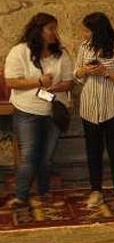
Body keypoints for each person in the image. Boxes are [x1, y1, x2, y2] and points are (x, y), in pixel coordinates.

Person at [3, 12, 74, 208]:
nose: (54, 33)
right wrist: (38, 81)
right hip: (27, 110)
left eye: (55, 29)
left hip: (53, 110)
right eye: (50, 28)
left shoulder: (61, 53)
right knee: (29, 154)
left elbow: (69, 82)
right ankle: (21, 195)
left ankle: (43, 192)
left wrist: (56, 87)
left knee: (46, 157)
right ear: (39, 30)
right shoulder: (19, 51)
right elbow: (11, 82)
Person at [74, 12, 114, 207]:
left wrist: (105, 72)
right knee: (93, 149)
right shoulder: (84, 48)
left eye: (87, 30)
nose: (84, 33)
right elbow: (77, 74)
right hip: (90, 105)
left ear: (97, 30)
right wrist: (85, 71)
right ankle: (95, 190)